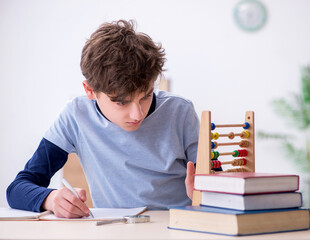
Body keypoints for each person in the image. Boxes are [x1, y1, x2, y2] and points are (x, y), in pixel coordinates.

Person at [6, 19, 198, 218]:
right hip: (113, 230)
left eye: (146, 96)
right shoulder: (76, 116)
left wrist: (206, 196)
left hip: (176, 226)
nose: (137, 114)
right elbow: (17, 189)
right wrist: (51, 199)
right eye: (122, 102)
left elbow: (212, 188)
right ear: (90, 90)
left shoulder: (181, 112)